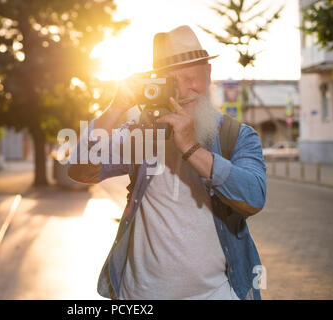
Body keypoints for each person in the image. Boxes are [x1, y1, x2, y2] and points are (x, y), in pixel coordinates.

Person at [68, 25, 266, 300]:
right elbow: (79, 169)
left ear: (208, 74)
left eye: (190, 78)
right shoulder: (139, 134)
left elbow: (254, 197)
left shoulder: (238, 136)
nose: (183, 91)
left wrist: (191, 148)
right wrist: (114, 108)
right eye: (170, 83)